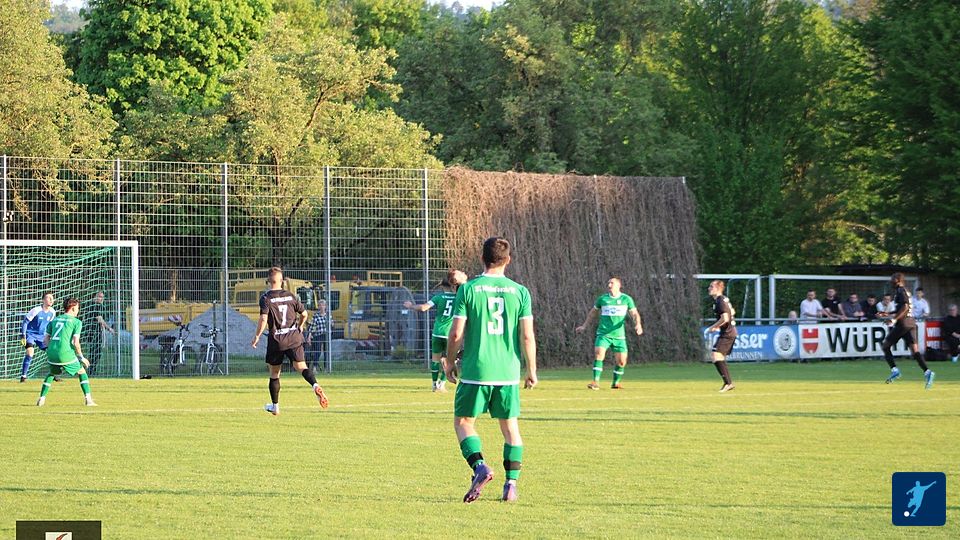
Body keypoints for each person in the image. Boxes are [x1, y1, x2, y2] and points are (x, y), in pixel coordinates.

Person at [445, 237, 537, 503]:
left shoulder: (469, 289)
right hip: (508, 372)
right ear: (508, 260)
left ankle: (480, 467)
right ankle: (511, 486)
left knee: (464, 423)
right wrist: (531, 370)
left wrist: (450, 362)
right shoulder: (520, 292)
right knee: (510, 428)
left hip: (477, 370)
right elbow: (527, 336)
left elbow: (456, 334)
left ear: (482, 258)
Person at [252, 267, 329, 415]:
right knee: (301, 367)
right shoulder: (290, 296)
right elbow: (304, 314)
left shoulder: (266, 298)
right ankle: (315, 385)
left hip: (277, 339)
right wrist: (299, 326)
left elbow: (263, 319)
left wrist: (257, 336)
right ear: (282, 281)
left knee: (275, 373)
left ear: (268, 281)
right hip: (293, 338)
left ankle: (275, 406)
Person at [404, 269, 468, 392]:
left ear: (442, 286)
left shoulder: (438, 297)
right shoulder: (458, 298)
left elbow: (423, 308)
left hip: (437, 333)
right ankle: (442, 384)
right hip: (450, 333)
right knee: (451, 359)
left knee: (435, 359)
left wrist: (411, 306)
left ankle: (434, 385)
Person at [575, 277, 643, 390]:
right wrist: (584, 326)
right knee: (599, 354)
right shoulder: (603, 299)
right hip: (603, 334)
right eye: (608, 283)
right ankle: (595, 382)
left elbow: (635, 314)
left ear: (619, 285)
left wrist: (638, 324)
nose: (609, 285)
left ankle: (615, 383)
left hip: (619, 336)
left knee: (622, 362)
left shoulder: (626, 299)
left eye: (612, 283)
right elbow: (592, 313)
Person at [36, 297, 96, 407]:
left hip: (51, 353)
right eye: (77, 308)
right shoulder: (76, 322)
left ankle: (41, 399)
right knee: (81, 371)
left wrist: (51, 349)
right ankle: (88, 400)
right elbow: (75, 342)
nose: (78, 310)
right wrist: (81, 357)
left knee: (52, 373)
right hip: (65, 353)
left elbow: (45, 340)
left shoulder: (54, 320)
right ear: (73, 308)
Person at [881, 273, 934, 389]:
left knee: (885, 346)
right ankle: (928, 372)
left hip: (903, 324)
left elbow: (905, 307)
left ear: (898, 280)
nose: (891, 281)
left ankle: (895, 370)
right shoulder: (904, 291)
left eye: (892, 279)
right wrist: (888, 313)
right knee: (915, 351)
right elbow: (902, 308)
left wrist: (894, 320)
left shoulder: (900, 290)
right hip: (911, 323)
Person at [705, 280, 736, 392]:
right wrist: (719, 326)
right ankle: (728, 383)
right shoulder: (722, 300)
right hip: (728, 332)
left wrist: (713, 327)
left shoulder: (720, 301)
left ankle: (728, 383)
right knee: (718, 357)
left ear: (718, 288)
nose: (709, 288)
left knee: (716, 355)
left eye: (711, 286)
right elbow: (732, 312)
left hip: (728, 333)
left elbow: (725, 318)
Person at [19, 292, 57, 383]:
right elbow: (25, 322)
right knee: (30, 353)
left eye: (52, 298)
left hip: (42, 336)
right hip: (30, 334)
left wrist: (50, 336)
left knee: (52, 353)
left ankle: (54, 375)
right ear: (43, 300)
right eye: (48, 298)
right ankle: (23, 376)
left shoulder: (52, 312)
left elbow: (50, 326)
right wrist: (23, 335)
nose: (51, 300)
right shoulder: (36, 310)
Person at [80, 291, 116, 376]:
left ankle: (90, 370)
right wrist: (109, 328)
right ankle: (90, 371)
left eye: (102, 297)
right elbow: (100, 319)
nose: (101, 299)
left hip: (91, 331)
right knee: (95, 352)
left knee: (94, 352)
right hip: (93, 332)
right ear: (94, 297)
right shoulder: (95, 306)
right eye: (100, 296)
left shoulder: (90, 305)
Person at [305, 299, 330, 373]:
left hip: (326, 335)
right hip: (318, 335)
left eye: (323, 305)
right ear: (318, 307)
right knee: (317, 352)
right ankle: (314, 367)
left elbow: (331, 325)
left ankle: (326, 368)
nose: (322, 307)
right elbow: (312, 326)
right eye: (320, 305)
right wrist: (309, 336)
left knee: (326, 352)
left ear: (325, 306)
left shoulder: (328, 315)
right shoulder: (316, 316)